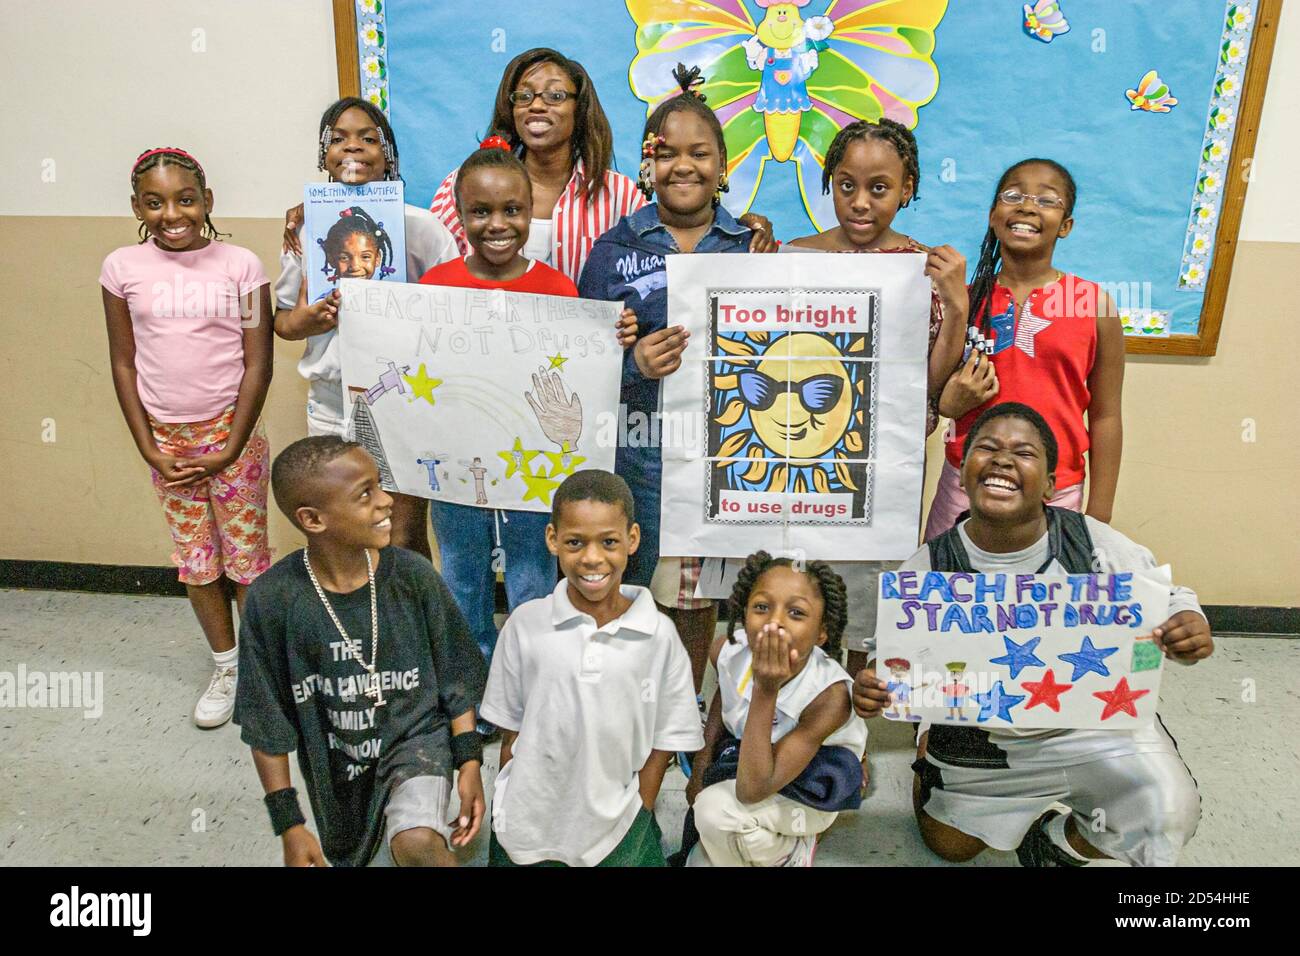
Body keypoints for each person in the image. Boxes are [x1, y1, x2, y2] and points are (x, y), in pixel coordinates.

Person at [853, 403, 1211, 867]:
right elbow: (891, 661)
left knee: (1168, 812)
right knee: (953, 848)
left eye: (1023, 452)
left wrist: (1189, 623)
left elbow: (1170, 598)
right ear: (961, 474)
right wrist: (876, 685)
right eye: (987, 448)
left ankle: (1058, 844)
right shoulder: (929, 567)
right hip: (984, 739)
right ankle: (932, 761)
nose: (1003, 459)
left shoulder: (1092, 543)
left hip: (1092, 725)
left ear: (1050, 485)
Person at [417, 139, 634, 733]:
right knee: (460, 578)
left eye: (512, 210)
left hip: (534, 473)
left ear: (530, 213)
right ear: (458, 215)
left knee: (535, 583)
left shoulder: (561, 289)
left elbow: (577, 378)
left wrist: (612, 339)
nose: (497, 224)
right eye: (480, 212)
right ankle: (474, 696)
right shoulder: (434, 285)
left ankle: (535, 691)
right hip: (455, 470)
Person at [578, 63, 763, 697]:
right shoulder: (612, 251)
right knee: (641, 587)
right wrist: (634, 366)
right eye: (667, 153)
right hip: (641, 453)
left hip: (728, 454)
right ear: (646, 163)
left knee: (702, 593)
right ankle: (637, 706)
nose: (684, 166)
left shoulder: (752, 249)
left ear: (723, 162)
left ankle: (685, 712)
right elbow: (578, 366)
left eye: (700, 153)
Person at [234, 437, 488, 867]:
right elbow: (266, 725)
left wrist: (469, 762)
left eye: (380, 485)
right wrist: (290, 825)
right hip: (338, 770)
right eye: (365, 493)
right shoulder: (272, 600)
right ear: (313, 519)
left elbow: (456, 677)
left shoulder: (412, 577)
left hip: (418, 741)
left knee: (418, 842)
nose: (386, 501)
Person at [101, 146, 273, 729]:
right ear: (137, 208)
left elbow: (258, 362)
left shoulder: (241, 266)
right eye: (156, 203)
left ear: (207, 201)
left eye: (185, 199)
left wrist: (231, 444)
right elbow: (123, 362)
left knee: (246, 560)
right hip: (167, 441)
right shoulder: (122, 268)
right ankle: (227, 666)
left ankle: (261, 673)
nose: (172, 213)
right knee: (198, 560)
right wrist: (148, 446)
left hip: (233, 432)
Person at [480, 470, 704, 866]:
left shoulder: (659, 635)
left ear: (632, 540)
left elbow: (666, 737)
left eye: (609, 542)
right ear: (552, 539)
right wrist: (508, 806)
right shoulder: (525, 624)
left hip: (617, 827)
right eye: (575, 542)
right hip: (530, 825)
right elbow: (510, 731)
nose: (592, 558)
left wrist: (640, 807)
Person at [273, 96, 459, 561]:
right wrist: (306, 320)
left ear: (389, 154)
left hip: (403, 401)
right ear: (323, 155)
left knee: (401, 531)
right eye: (338, 139)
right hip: (332, 404)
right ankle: (353, 628)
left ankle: (410, 628)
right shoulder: (304, 228)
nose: (352, 147)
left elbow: (456, 310)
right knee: (339, 531)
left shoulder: (422, 227)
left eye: (368, 138)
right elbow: (283, 323)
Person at [421, 47, 774, 282]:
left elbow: (673, 238)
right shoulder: (462, 186)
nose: (537, 105)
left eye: (555, 95)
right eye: (524, 96)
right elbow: (439, 277)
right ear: (510, 108)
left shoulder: (620, 196)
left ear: (580, 108)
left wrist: (745, 228)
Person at [927, 159, 1124, 540]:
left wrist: (1099, 512)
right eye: (1013, 195)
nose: (1027, 206)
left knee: (1044, 596)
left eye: (1047, 200)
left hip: (1057, 492)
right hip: (964, 486)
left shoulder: (1094, 305)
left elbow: (1106, 416)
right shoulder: (964, 299)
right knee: (949, 591)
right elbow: (935, 394)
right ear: (992, 214)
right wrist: (949, 401)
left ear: (1066, 226)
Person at [683, 553, 865, 866]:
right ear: (743, 612)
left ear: (822, 632)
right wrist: (702, 765)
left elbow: (752, 791)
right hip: (754, 760)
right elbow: (723, 699)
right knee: (699, 856)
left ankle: (795, 848)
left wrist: (765, 688)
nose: (774, 622)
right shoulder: (728, 651)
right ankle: (762, 849)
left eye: (796, 613)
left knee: (715, 814)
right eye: (762, 607)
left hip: (809, 784)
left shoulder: (829, 695)